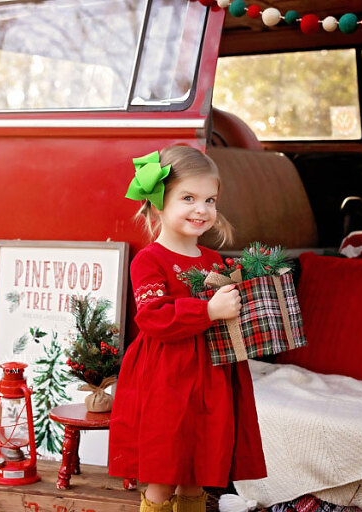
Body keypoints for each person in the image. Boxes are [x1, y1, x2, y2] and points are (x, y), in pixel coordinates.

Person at [108, 145, 267, 512]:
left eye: (210, 199)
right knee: (164, 470)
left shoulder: (216, 260)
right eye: (189, 198)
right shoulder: (150, 260)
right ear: (158, 202)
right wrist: (208, 310)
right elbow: (153, 317)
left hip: (211, 378)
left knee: (198, 466)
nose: (202, 209)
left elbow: (232, 314)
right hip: (167, 377)